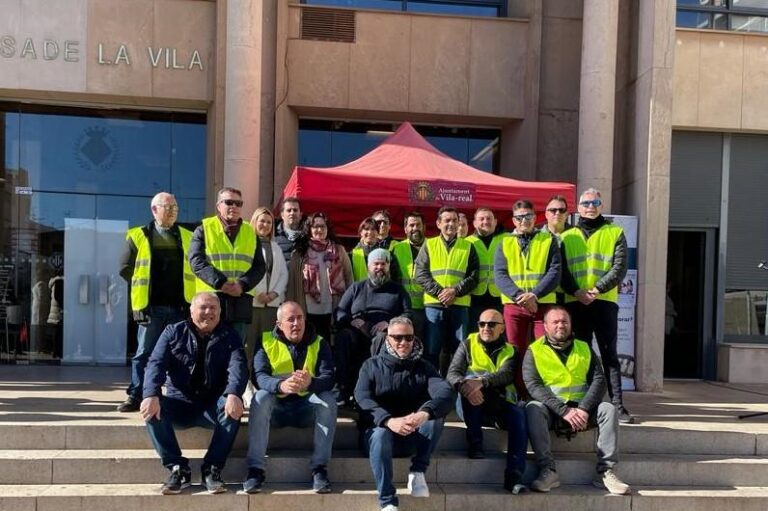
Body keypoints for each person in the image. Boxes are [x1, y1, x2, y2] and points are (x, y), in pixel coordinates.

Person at [141, 292, 247, 495]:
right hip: (180, 402)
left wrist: (234, 393)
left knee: (232, 408)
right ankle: (177, 468)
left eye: (213, 308)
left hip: (212, 405)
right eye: (203, 307)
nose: (208, 312)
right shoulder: (173, 331)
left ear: (220, 312)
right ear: (191, 311)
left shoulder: (230, 335)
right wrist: (150, 394)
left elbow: (239, 367)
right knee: (151, 409)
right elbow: (155, 363)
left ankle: (212, 468)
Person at [523, 306, 630, 495]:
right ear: (545, 326)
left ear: (571, 325)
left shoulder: (584, 347)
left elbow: (599, 380)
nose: (560, 325)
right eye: (555, 322)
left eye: (564, 321)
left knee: (608, 409)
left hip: (583, 412)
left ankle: (606, 471)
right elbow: (533, 385)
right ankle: (548, 470)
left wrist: (583, 408)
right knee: (533, 408)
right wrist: (563, 410)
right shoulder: (534, 351)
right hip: (553, 412)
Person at [355, 316, 455, 511]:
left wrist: (423, 414)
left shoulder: (424, 367)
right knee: (381, 434)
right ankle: (387, 501)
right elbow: (362, 398)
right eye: (397, 337)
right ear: (387, 339)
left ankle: (418, 471)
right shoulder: (371, 365)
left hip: (411, 434)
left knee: (435, 416)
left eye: (408, 338)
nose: (403, 343)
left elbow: (445, 392)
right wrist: (388, 421)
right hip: (378, 436)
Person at [244, 301, 336, 494]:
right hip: (276, 408)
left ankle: (320, 469)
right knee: (260, 397)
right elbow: (259, 376)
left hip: (305, 408)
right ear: (279, 324)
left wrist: (310, 383)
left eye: (300, 318)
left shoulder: (319, 342)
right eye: (290, 319)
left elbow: (328, 378)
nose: (296, 323)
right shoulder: (266, 340)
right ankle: (256, 469)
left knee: (328, 400)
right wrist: (280, 385)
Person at [117, 192, 195, 413]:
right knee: (144, 352)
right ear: (154, 210)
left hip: (181, 306)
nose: (172, 212)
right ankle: (137, 394)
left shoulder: (187, 236)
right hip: (152, 308)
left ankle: (179, 393)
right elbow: (124, 268)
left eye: (175, 208)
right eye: (167, 207)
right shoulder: (138, 235)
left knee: (181, 353)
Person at [561, 188, 633, 423]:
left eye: (595, 202)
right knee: (580, 356)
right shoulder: (566, 236)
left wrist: (597, 289)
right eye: (586, 203)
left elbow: (620, 268)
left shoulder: (615, 232)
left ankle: (618, 407)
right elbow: (561, 271)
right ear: (578, 207)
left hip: (603, 302)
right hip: (576, 303)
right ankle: (584, 404)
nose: (590, 206)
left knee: (609, 355)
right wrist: (577, 291)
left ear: (601, 206)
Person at [446, 308, 527, 492]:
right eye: (482, 324)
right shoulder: (467, 344)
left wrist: (481, 382)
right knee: (468, 388)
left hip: (500, 404)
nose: (486, 328)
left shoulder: (511, 350)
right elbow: (452, 374)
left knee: (519, 415)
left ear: (502, 328)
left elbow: (506, 375)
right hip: (471, 406)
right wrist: (465, 385)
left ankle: (514, 477)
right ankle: (475, 444)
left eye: (492, 324)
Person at [494, 199, 560, 400]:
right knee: (515, 351)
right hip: (514, 306)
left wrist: (535, 295)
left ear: (535, 217)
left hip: (543, 304)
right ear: (514, 220)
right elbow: (500, 274)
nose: (525, 221)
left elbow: (555, 271)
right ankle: (519, 393)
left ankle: (543, 394)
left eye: (529, 216)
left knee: (544, 349)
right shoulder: (504, 242)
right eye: (520, 217)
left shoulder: (549, 240)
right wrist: (520, 297)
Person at [189, 187, 265, 345]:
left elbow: (259, 267)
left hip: (240, 301)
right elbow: (196, 260)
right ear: (218, 206)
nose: (234, 207)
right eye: (229, 202)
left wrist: (242, 284)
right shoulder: (203, 229)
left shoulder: (251, 232)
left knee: (236, 350)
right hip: (211, 300)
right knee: (208, 349)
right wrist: (220, 282)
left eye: (238, 203)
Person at [334, 248, 411, 404]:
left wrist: (390, 324)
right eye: (376, 264)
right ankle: (343, 389)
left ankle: (373, 392)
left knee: (383, 338)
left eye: (383, 264)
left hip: (383, 335)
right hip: (357, 333)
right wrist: (351, 321)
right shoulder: (357, 288)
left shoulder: (398, 290)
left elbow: (408, 314)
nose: (379, 268)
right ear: (369, 266)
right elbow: (339, 311)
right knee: (343, 337)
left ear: (388, 266)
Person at [415, 206, 478, 373]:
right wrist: (440, 293)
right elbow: (420, 274)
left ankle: (457, 386)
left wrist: (455, 291)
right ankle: (433, 384)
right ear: (438, 223)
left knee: (460, 350)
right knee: (432, 349)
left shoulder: (469, 247)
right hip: (434, 306)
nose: (451, 224)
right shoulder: (429, 245)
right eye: (447, 220)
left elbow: (474, 276)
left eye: (454, 220)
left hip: (460, 305)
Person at [286, 212, 353, 345]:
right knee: (309, 345)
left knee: (328, 345)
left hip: (334, 307)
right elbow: (292, 283)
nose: (319, 230)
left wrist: (349, 304)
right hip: (307, 308)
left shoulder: (339, 250)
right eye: (315, 227)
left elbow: (349, 277)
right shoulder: (300, 252)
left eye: (323, 226)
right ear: (309, 229)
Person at [247, 207, 289, 370]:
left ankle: (264, 380)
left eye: (269, 222)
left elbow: (283, 274)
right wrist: (259, 293)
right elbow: (245, 271)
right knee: (248, 345)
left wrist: (273, 294)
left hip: (271, 305)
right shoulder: (247, 244)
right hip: (252, 304)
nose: (265, 225)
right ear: (255, 222)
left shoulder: (275, 246)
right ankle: (246, 384)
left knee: (269, 346)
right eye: (262, 221)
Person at [465, 207, 506, 326]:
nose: (485, 221)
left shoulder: (506, 239)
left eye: (489, 218)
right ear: (474, 223)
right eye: (481, 219)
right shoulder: (467, 243)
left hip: (500, 297)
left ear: (495, 222)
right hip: (474, 298)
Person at [392, 212, 427, 340]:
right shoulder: (397, 248)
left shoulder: (433, 246)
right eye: (411, 225)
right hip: (404, 307)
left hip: (428, 306)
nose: (415, 228)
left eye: (418, 225)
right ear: (405, 228)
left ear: (424, 227)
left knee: (427, 346)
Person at [541, 194, 571, 305]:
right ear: (546, 214)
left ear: (567, 214)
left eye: (561, 210)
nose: (557, 213)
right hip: (545, 295)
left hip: (572, 296)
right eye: (553, 210)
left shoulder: (578, 236)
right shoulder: (536, 239)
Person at [351, 217, 381, 281]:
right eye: (366, 229)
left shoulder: (384, 253)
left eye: (373, 229)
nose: (370, 232)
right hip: (359, 290)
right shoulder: (352, 254)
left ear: (378, 233)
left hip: (380, 290)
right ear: (361, 232)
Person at [274, 197, 303, 262]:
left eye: (295, 210)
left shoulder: (307, 237)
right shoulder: (273, 235)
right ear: (282, 215)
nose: (292, 213)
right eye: (289, 210)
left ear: (300, 215)